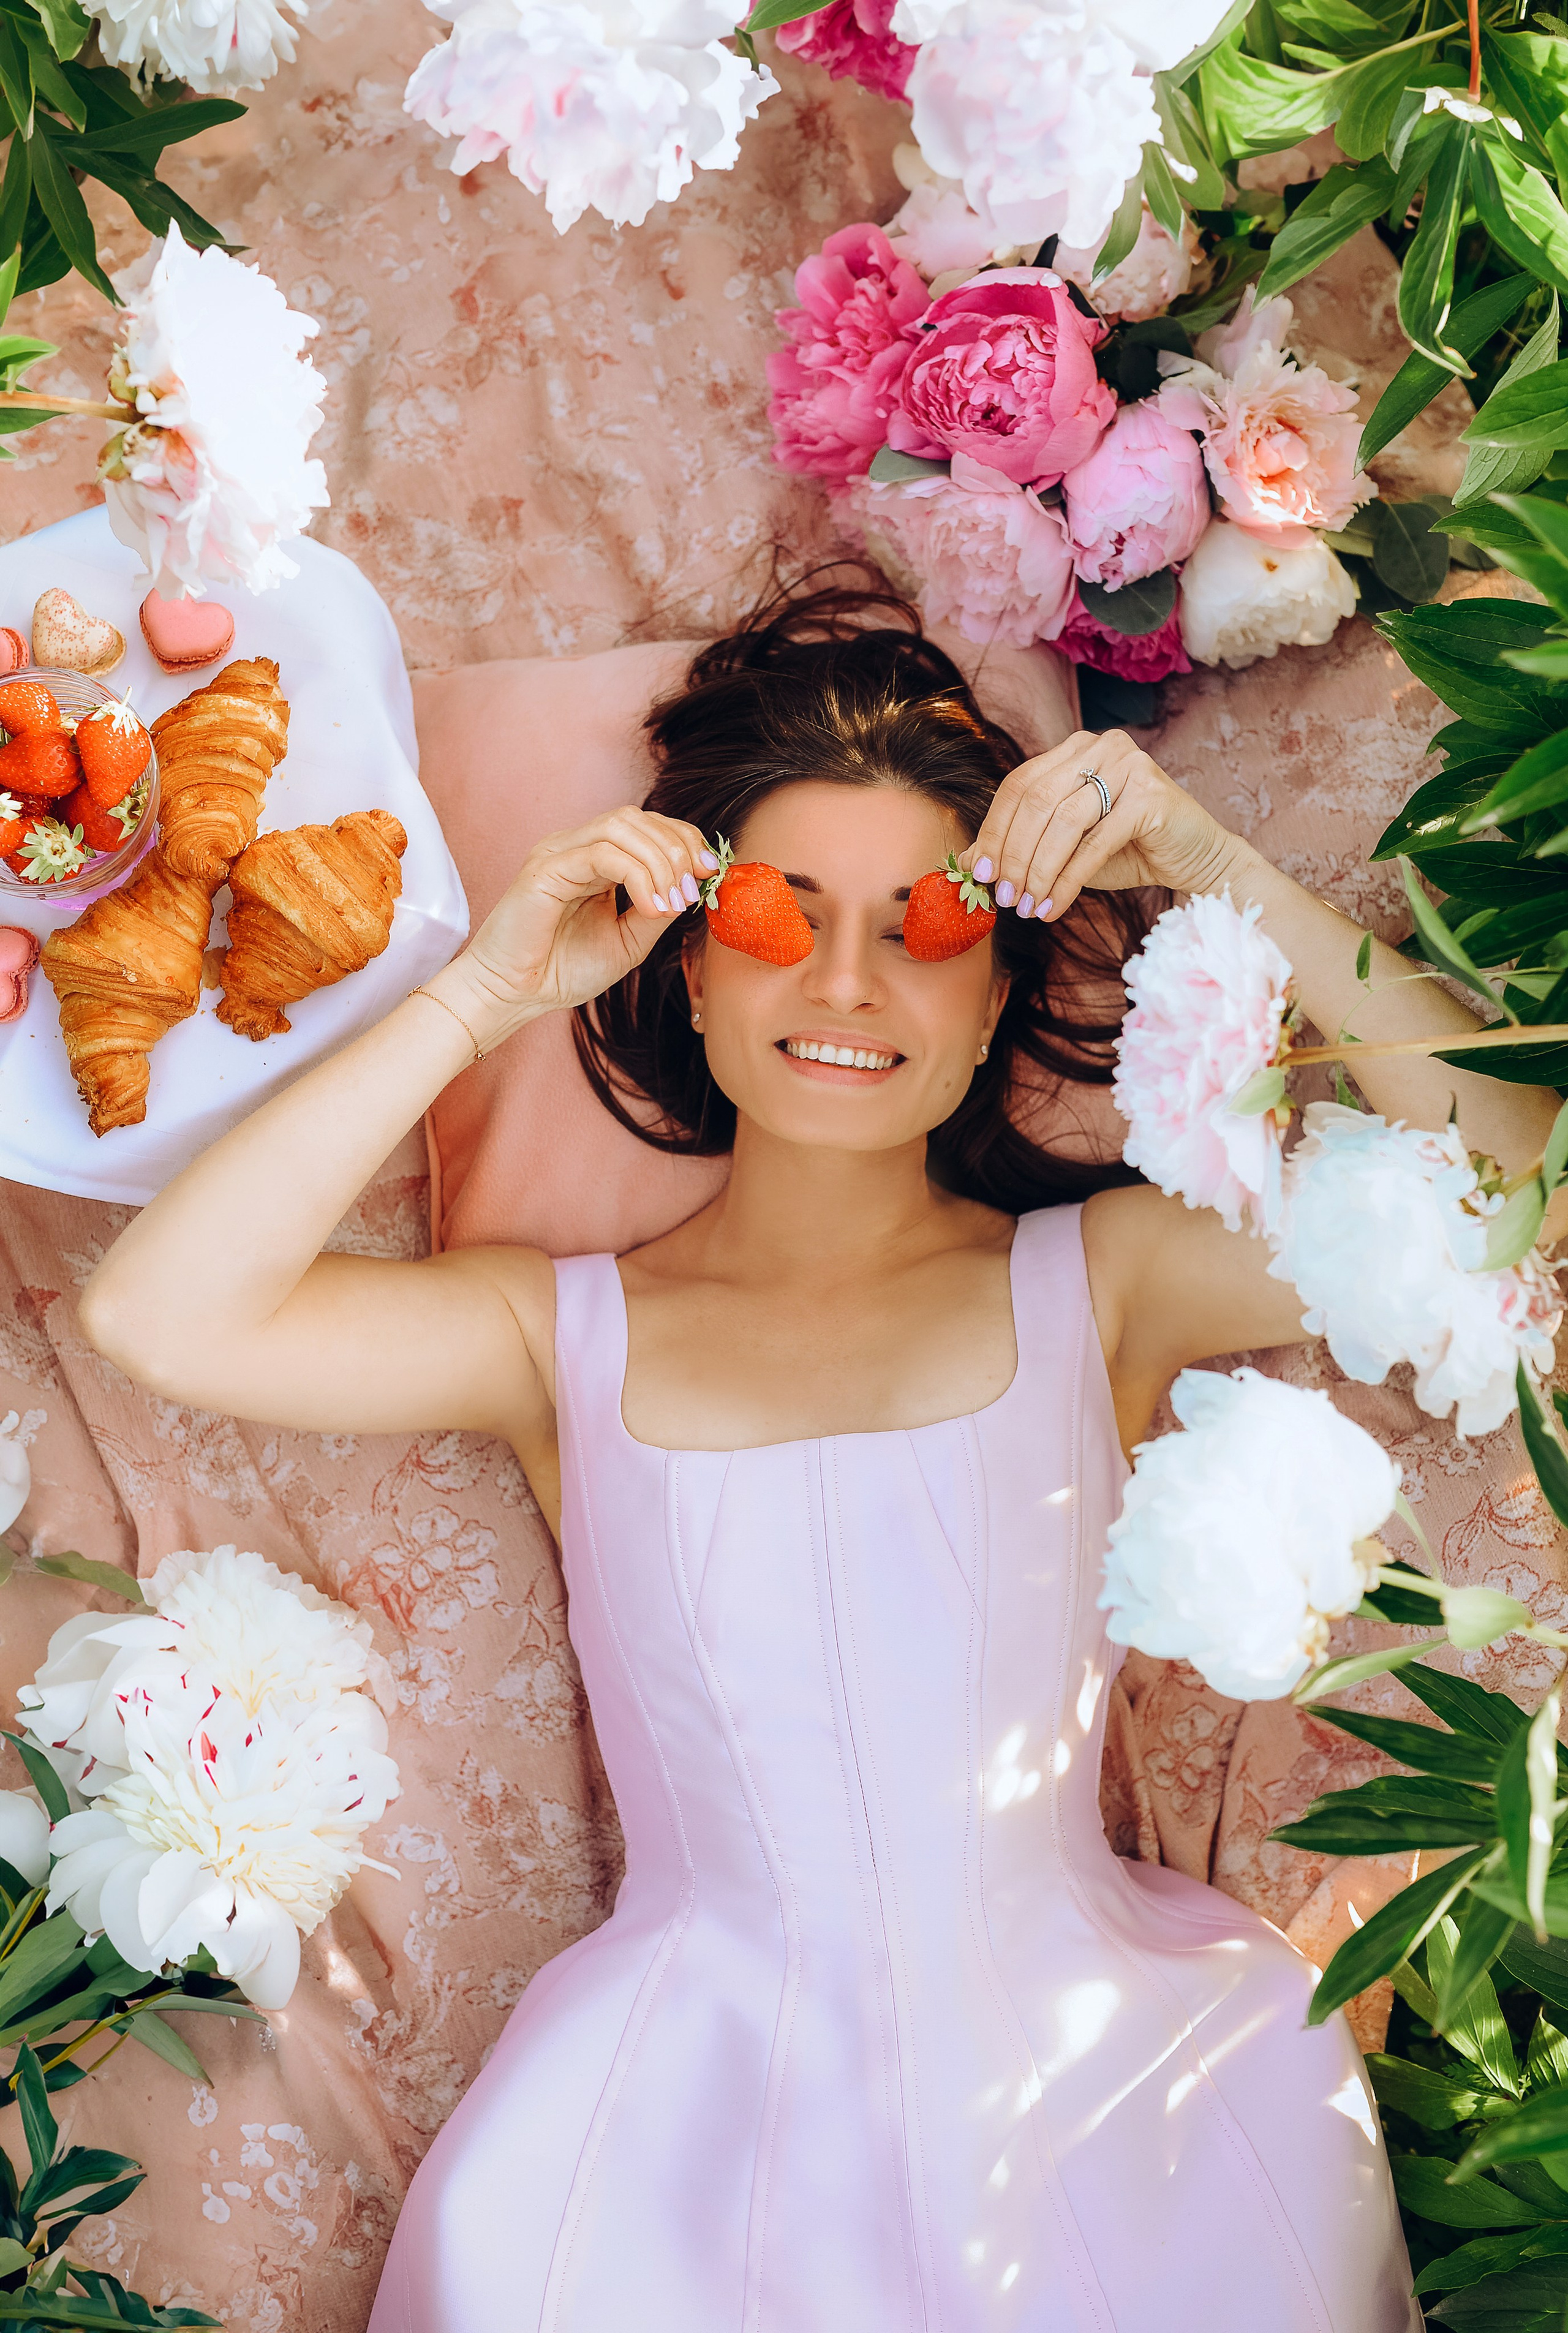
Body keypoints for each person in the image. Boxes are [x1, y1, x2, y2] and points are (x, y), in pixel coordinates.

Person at [80, 584, 1542, 2332]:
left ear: (999, 983)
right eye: (780, 912)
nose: (848, 982)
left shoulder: (1117, 1273)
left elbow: (1521, 1205)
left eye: (923, 921)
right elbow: (165, 1314)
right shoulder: (563, 1334)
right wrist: (485, 992)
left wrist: (1211, 857)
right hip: (662, 2144)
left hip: (1118, 2100)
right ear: (688, 963)